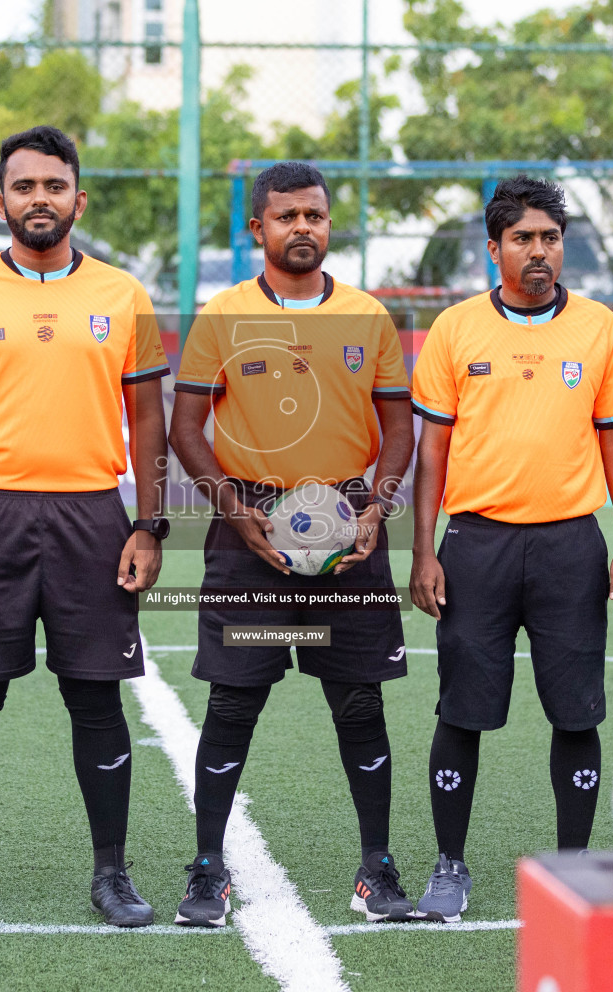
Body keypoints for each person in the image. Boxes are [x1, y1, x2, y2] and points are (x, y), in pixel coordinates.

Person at [0, 126, 170, 931]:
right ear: (0, 203)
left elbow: (148, 422)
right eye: (24, 187)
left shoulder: (124, 296)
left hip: (94, 513)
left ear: (78, 199)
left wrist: (150, 524)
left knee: (96, 699)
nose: (40, 200)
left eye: (54, 186)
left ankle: (111, 874)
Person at [169, 162, 416, 927]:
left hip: (347, 525)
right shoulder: (224, 315)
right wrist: (237, 512)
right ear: (258, 230)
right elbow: (184, 429)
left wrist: (380, 503)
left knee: (358, 702)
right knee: (234, 699)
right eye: (286, 218)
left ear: (328, 222)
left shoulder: (369, 316)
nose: (301, 228)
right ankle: (208, 869)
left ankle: (376, 868)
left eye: (314, 215)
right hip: (252, 533)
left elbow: (399, 425)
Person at [409, 176, 613, 923]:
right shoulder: (455, 330)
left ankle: (574, 870)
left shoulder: (598, 328)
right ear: (494, 249)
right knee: (462, 711)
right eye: (523, 239)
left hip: (571, 546)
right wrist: (424, 550)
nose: (538, 251)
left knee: (576, 715)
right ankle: (450, 866)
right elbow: (433, 450)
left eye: (549, 238)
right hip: (475, 544)